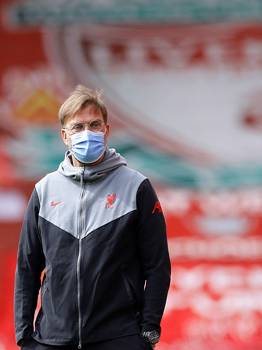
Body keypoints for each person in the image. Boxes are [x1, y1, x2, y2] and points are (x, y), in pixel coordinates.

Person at [14, 85, 171, 350]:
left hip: (119, 338)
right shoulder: (44, 190)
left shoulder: (136, 187)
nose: (87, 133)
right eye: (78, 127)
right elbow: (27, 268)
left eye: (94, 124)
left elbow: (157, 266)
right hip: (51, 339)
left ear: (106, 131)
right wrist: (24, 337)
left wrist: (149, 334)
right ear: (65, 135)